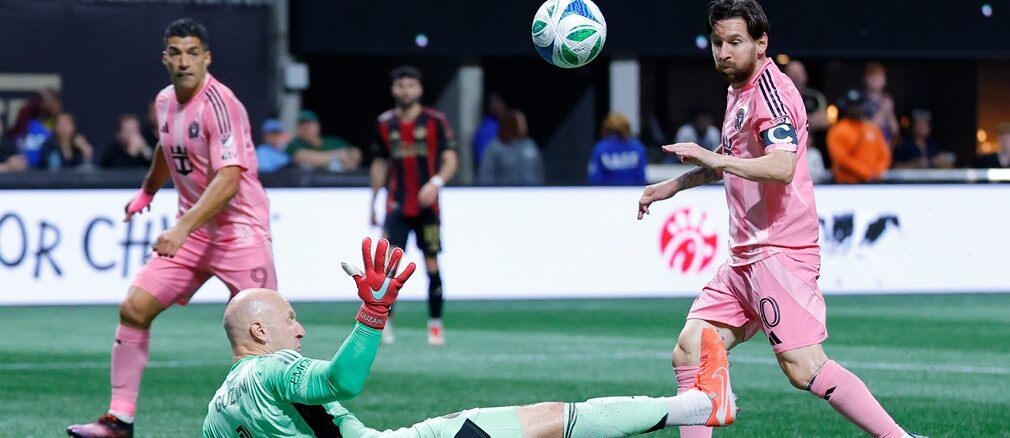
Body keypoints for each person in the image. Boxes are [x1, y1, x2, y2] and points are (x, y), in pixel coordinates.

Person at [637, 2, 925, 437]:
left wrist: (715, 158)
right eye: (717, 43)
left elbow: (782, 166)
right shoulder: (738, 91)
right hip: (743, 259)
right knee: (689, 350)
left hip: (780, 254)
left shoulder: (771, 89)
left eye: (735, 42)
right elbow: (732, 163)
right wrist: (673, 187)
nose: (724, 52)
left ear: (761, 42)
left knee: (803, 367)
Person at [203, 237, 737, 437]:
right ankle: (698, 406)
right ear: (259, 330)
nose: (299, 328)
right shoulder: (270, 370)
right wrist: (373, 312)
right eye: (290, 318)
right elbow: (342, 381)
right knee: (549, 420)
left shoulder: (215, 413)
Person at [68, 18, 276, 438]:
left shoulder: (222, 104)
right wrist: (147, 191)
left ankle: (286, 425)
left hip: (240, 231)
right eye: (176, 53)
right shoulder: (165, 101)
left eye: (193, 53)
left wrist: (179, 228)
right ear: (165, 57)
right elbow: (168, 145)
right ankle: (119, 420)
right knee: (134, 308)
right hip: (196, 234)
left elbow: (230, 177)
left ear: (207, 58)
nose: (184, 61)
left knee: (266, 337)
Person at [369, 65, 458, 346]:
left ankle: (435, 325)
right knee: (387, 267)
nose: (405, 90)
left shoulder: (435, 121)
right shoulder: (385, 124)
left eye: (410, 85)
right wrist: (372, 200)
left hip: (427, 208)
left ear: (419, 89)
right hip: (397, 205)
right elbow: (379, 162)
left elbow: (450, 158)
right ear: (394, 90)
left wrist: (436, 183)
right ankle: (386, 325)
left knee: (431, 263)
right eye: (400, 85)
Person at [827, 90, 892, 183]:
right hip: (847, 184)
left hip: (873, 182)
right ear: (845, 107)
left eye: (858, 105)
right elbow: (841, 159)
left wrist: (877, 172)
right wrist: (866, 172)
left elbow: (885, 156)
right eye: (852, 106)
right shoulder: (837, 130)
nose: (855, 109)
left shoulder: (872, 128)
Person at [477, 109, 544, 185]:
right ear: (509, 124)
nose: (524, 126)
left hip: (530, 193)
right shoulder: (494, 148)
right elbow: (486, 174)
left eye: (524, 122)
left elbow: (539, 170)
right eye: (520, 123)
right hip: (504, 193)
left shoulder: (530, 144)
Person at [286, 110, 362, 171]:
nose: (305, 128)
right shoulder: (295, 144)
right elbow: (300, 156)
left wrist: (350, 159)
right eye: (301, 126)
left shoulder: (332, 141)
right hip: (308, 185)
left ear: (317, 126)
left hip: (339, 183)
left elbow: (356, 152)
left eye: (308, 125)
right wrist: (337, 156)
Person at [588, 112, 647, 185]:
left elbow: (595, 178)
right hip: (631, 193)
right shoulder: (638, 147)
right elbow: (641, 178)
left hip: (606, 193)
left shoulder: (601, 147)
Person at [863, 62, 900, 145]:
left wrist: (889, 113)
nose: (876, 80)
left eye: (879, 77)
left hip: (885, 144)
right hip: (868, 144)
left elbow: (895, 130)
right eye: (872, 76)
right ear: (866, 79)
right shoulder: (861, 99)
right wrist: (882, 110)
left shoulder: (887, 98)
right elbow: (865, 129)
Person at [472, 91, 508, 167]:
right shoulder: (487, 128)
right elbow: (484, 162)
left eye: (498, 101)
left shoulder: (506, 125)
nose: (496, 105)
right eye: (492, 102)